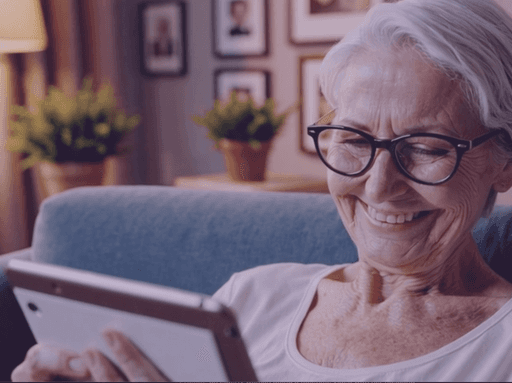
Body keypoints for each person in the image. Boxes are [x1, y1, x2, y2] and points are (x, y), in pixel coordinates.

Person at [11, 0, 512, 380]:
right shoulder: (251, 297)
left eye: (426, 148)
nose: (379, 185)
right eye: (355, 139)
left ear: (503, 163)